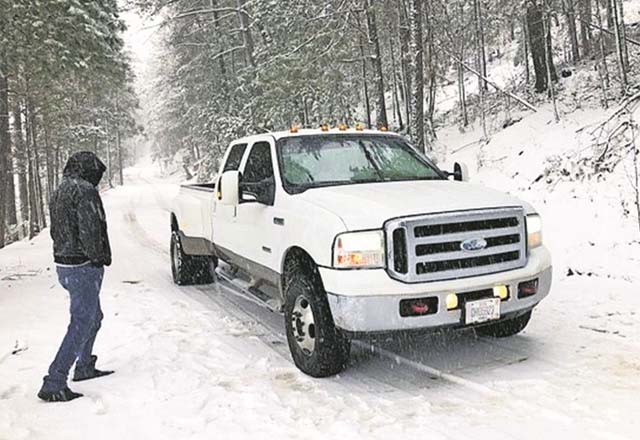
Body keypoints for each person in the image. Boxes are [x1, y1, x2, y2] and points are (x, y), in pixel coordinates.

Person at [38, 151, 114, 403]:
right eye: (96, 174)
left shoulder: (59, 190)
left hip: (65, 264)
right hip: (82, 265)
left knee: (93, 317)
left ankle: (84, 366)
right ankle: (54, 382)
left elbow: (56, 231)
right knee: (82, 321)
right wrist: (98, 257)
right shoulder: (84, 191)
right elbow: (90, 229)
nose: (97, 180)